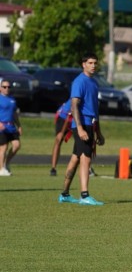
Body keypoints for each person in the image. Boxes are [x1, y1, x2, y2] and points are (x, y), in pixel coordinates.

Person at [57, 53, 106, 205]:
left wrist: (98, 131)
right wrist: (79, 128)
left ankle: (64, 194)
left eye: (95, 63)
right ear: (83, 64)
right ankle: (84, 196)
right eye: (90, 63)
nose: (93, 65)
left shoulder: (94, 82)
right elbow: (74, 105)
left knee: (75, 158)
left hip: (90, 125)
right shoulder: (79, 81)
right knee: (86, 158)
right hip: (82, 124)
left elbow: (95, 108)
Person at [0, 78, 21, 176]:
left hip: (11, 126)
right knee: (3, 147)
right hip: (1, 126)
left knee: (16, 145)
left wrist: (19, 125)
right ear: (0, 88)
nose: (6, 88)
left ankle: (6, 163)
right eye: (4, 87)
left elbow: (14, 114)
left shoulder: (12, 99)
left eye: (8, 87)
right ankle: (1, 169)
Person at [50, 99, 72, 176]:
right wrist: (62, 132)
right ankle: (53, 168)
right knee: (58, 140)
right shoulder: (77, 96)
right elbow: (69, 117)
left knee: (83, 141)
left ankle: (88, 168)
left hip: (75, 118)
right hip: (64, 117)